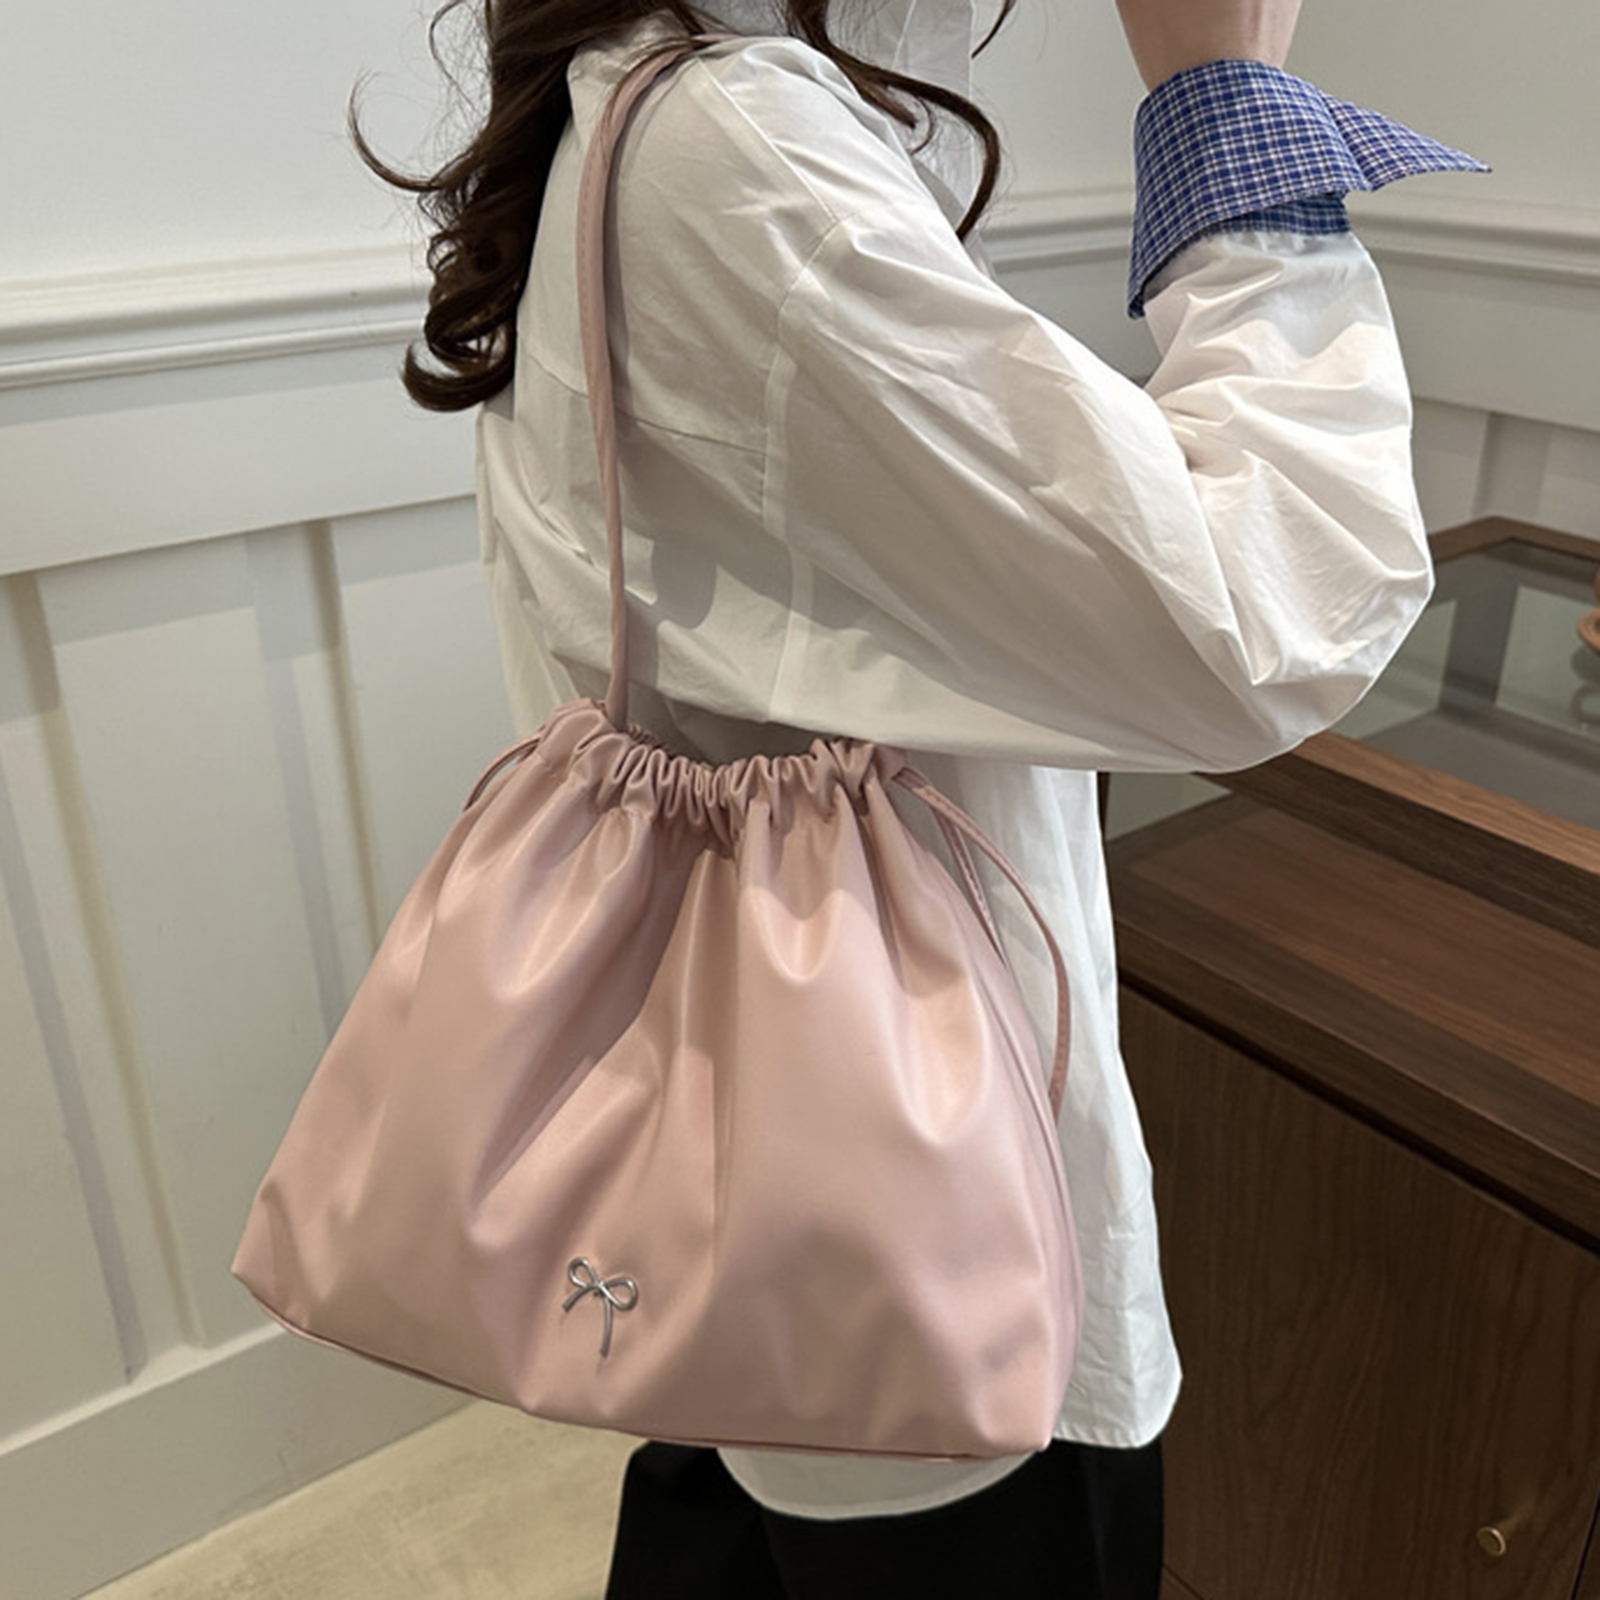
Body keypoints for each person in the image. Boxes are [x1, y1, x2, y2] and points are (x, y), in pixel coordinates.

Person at [360, 0, 1484, 1593]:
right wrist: (1225, 90)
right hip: (916, 1303)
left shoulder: (645, 105)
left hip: (771, 1187)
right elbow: (1273, 616)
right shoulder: (743, 149)